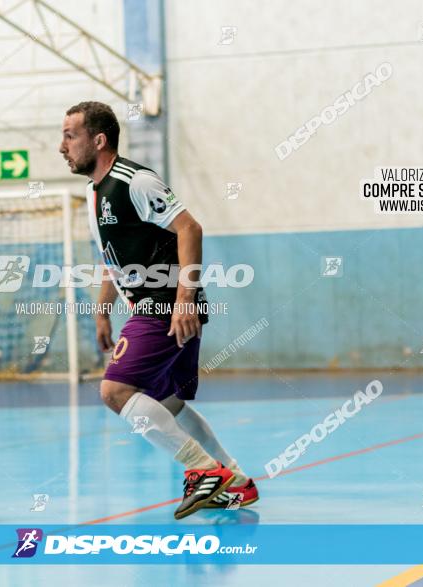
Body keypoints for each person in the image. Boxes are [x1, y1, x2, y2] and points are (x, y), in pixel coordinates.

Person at [59, 101, 258, 519]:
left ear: (99, 140)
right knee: (165, 402)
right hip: (155, 304)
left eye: (69, 136)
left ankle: (205, 470)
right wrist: (102, 312)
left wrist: (185, 297)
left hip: (165, 303)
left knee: (114, 392)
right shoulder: (96, 192)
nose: (62, 146)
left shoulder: (135, 181)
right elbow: (112, 259)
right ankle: (235, 480)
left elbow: (190, 227)